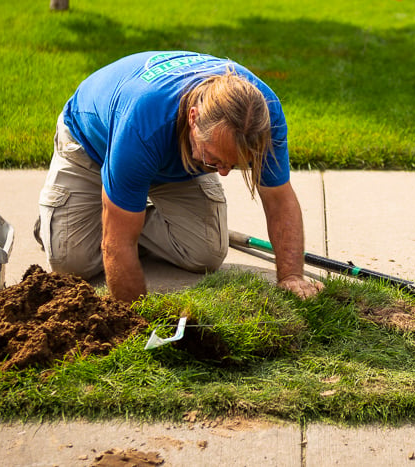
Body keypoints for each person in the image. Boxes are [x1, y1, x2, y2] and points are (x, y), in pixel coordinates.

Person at [34, 50, 323, 303]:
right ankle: (76, 220)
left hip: (174, 156)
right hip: (92, 146)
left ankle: (126, 210)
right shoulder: (141, 124)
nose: (222, 172)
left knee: (204, 254)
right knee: (72, 263)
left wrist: (292, 276)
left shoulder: (259, 119)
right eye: (216, 159)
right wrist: (137, 324)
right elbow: (116, 244)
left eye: (233, 165)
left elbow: (279, 200)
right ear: (193, 118)